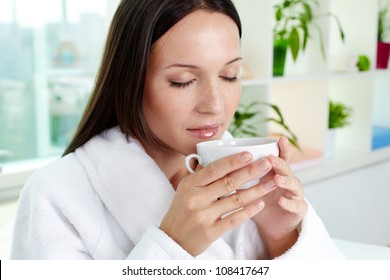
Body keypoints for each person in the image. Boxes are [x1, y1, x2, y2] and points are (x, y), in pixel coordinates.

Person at [10, 0, 345, 260]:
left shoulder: (253, 172)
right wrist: (173, 247)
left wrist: (282, 237)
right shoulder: (56, 194)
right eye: (182, 81)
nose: (214, 105)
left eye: (230, 76)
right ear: (130, 81)